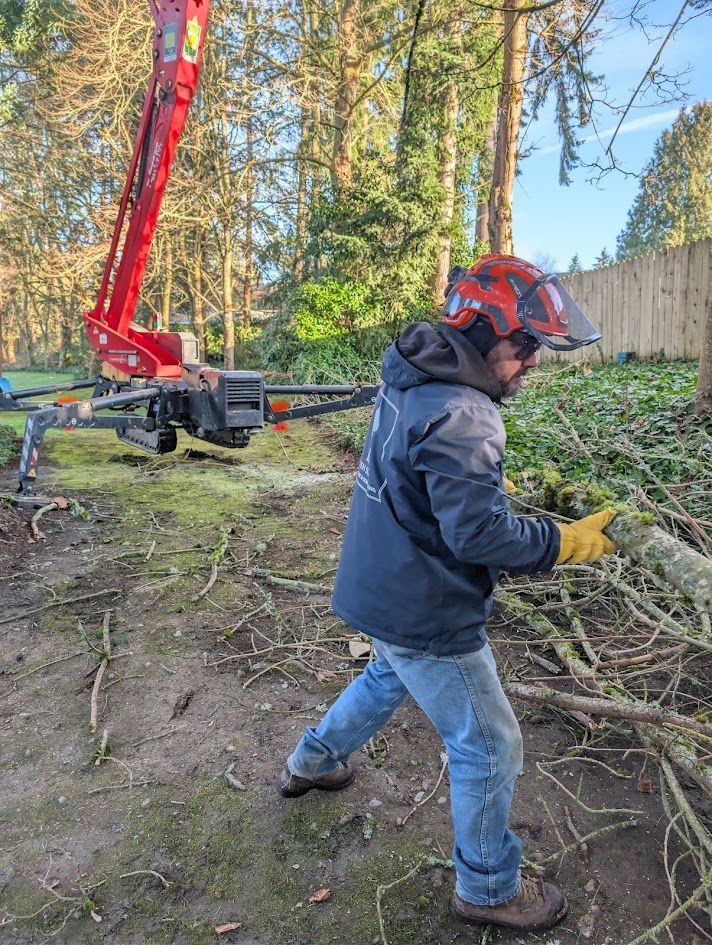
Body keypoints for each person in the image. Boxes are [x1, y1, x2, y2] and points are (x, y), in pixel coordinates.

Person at [277, 254, 618, 933]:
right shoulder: (466, 414)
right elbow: (478, 537)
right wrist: (563, 542)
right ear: (487, 330)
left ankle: (312, 760)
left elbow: (420, 478)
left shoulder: (413, 376)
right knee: (490, 743)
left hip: (379, 583)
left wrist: (478, 490)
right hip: (425, 605)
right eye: (525, 345)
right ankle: (487, 888)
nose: (532, 362)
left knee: (383, 676)